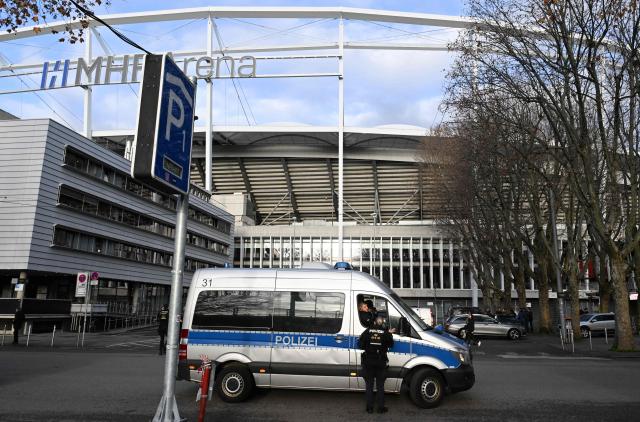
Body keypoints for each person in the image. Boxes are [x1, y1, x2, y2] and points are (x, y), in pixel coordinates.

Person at [359, 315, 394, 414]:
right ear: (382, 323)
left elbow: (360, 345)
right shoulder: (385, 332)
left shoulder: (367, 331)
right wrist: (389, 334)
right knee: (380, 386)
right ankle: (381, 408)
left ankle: (369, 408)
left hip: (368, 362)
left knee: (369, 386)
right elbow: (391, 344)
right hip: (381, 362)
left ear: (374, 322)